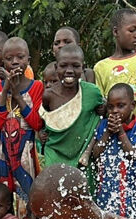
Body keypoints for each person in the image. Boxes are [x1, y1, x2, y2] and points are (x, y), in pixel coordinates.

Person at [0, 37, 44, 205]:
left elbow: (36, 123)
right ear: (3, 61)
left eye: (20, 57)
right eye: (9, 58)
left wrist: (16, 95)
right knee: (2, 197)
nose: (15, 62)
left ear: (28, 60)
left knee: (26, 197)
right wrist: (5, 89)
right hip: (2, 151)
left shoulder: (37, 87)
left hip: (25, 152)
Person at [90, 83, 136, 219]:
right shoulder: (104, 125)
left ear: (132, 105)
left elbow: (134, 155)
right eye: (111, 107)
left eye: (120, 106)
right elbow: (96, 153)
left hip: (131, 189)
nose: (115, 111)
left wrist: (121, 132)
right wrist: (107, 133)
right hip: (107, 187)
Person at [40, 44, 104, 173]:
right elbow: (44, 120)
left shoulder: (92, 92)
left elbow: (103, 113)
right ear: (56, 67)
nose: (69, 70)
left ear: (83, 68)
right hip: (54, 153)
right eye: (63, 66)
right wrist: (41, 133)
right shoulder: (49, 96)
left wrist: (104, 109)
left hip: (82, 156)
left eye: (75, 66)